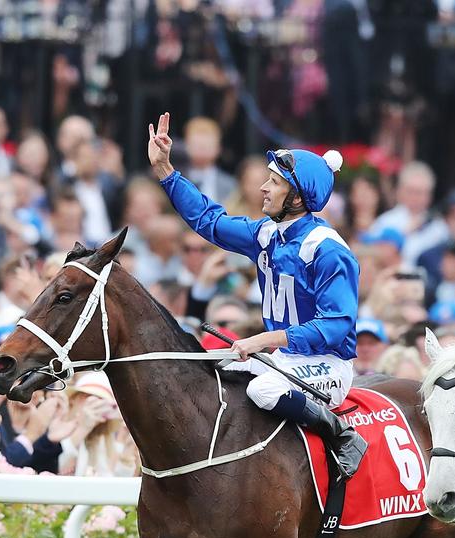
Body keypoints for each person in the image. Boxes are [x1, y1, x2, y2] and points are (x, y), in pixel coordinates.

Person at [147, 111, 367, 479]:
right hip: (284, 359)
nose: (263, 188)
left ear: (297, 196)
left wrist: (268, 338)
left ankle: (343, 436)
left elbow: (337, 325)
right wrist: (167, 172)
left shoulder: (328, 250)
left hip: (328, 364)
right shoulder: (266, 232)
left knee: (263, 390)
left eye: (274, 182)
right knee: (208, 370)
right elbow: (209, 221)